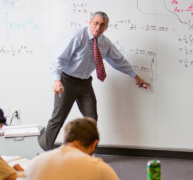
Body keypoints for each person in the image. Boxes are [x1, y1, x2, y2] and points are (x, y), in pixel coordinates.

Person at [45, 11, 150, 150]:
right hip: (66, 81)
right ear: (89, 22)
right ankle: (44, 149)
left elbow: (119, 61)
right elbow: (59, 59)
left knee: (91, 119)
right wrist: (56, 80)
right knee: (58, 118)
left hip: (85, 83)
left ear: (106, 27)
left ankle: (86, 152)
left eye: (102, 25)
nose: (98, 27)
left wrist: (136, 77)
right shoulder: (77, 36)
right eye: (96, 23)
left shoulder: (105, 43)